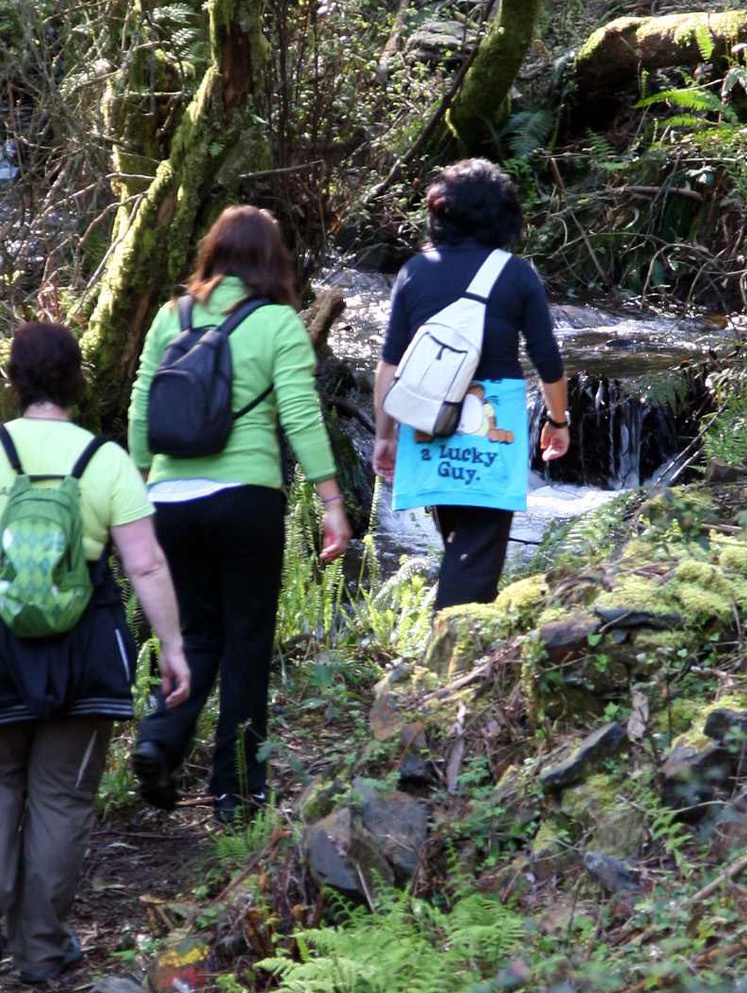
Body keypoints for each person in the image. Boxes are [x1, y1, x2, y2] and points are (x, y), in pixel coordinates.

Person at [0, 321, 192, 982]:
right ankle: (39, 950)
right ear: (76, 383)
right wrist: (172, 647)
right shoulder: (106, 459)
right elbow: (145, 566)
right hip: (85, 648)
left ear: (15, 381)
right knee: (62, 796)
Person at [125, 205, 351, 826]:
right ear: (271, 261)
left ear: (213, 254)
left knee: (195, 634)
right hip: (246, 499)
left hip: (169, 501)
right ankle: (237, 792)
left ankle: (160, 739)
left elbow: (142, 406)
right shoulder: (277, 323)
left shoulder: (173, 316)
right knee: (247, 644)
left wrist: (144, 487)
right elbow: (302, 416)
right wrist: (332, 503)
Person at [372, 158, 571, 609]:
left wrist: (385, 436)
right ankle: (447, 657)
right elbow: (548, 360)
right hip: (493, 423)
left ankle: (456, 646)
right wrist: (558, 420)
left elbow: (389, 366)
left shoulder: (414, 272)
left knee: (462, 546)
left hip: (425, 421)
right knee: (477, 553)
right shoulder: (516, 274)